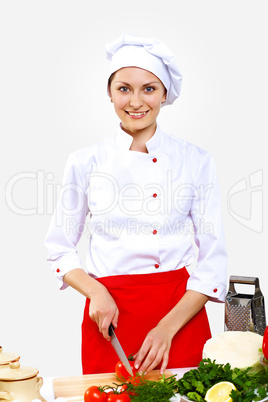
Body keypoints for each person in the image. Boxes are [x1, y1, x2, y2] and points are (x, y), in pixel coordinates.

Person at [44, 33, 227, 375]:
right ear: (109, 93)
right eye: (124, 88)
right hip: (108, 316)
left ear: (164, 94)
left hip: (179, 313)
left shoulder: (196, 161)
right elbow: (59, 249)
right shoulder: (85, 161)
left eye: (149, 88)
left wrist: (167, 328)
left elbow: (212, 261)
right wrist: (95, 292)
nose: (136, 101)